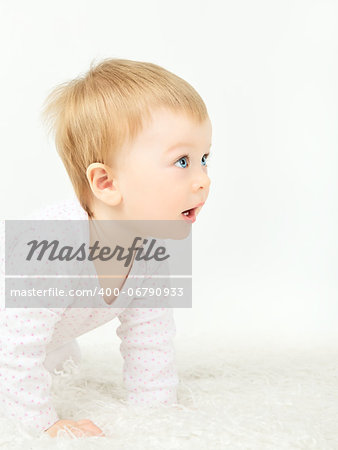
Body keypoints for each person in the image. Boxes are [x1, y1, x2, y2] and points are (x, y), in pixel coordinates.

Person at [0, 58, 212, 438]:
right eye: (182, 161)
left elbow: (150, 338)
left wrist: (158, 413)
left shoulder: (147, 251)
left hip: (47, 344)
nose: (203, 181)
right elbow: (12, 350)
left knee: (57, 362)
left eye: (204, 159)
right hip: (10, 339)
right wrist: (42, 425)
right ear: (106, 182)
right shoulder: (48, 247)